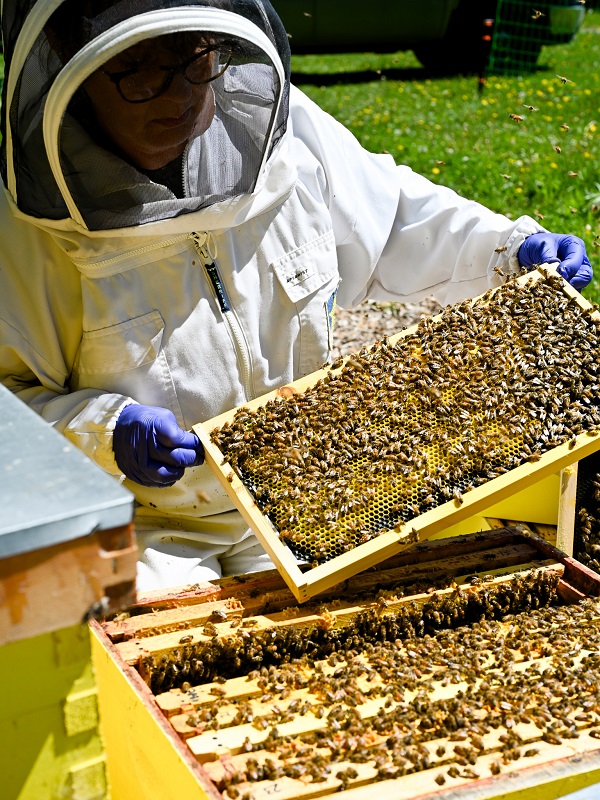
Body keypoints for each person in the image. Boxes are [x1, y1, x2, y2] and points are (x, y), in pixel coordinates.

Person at [0, 0, 592, 592]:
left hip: (311, 504)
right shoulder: (20, 231)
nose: (180, 94)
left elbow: (391, 220)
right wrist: (104, 428)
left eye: (198, 58)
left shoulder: (284, 131)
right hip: (148, 528)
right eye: (142, 70)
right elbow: (8, 409)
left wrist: (508, 248)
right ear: (68, 64)